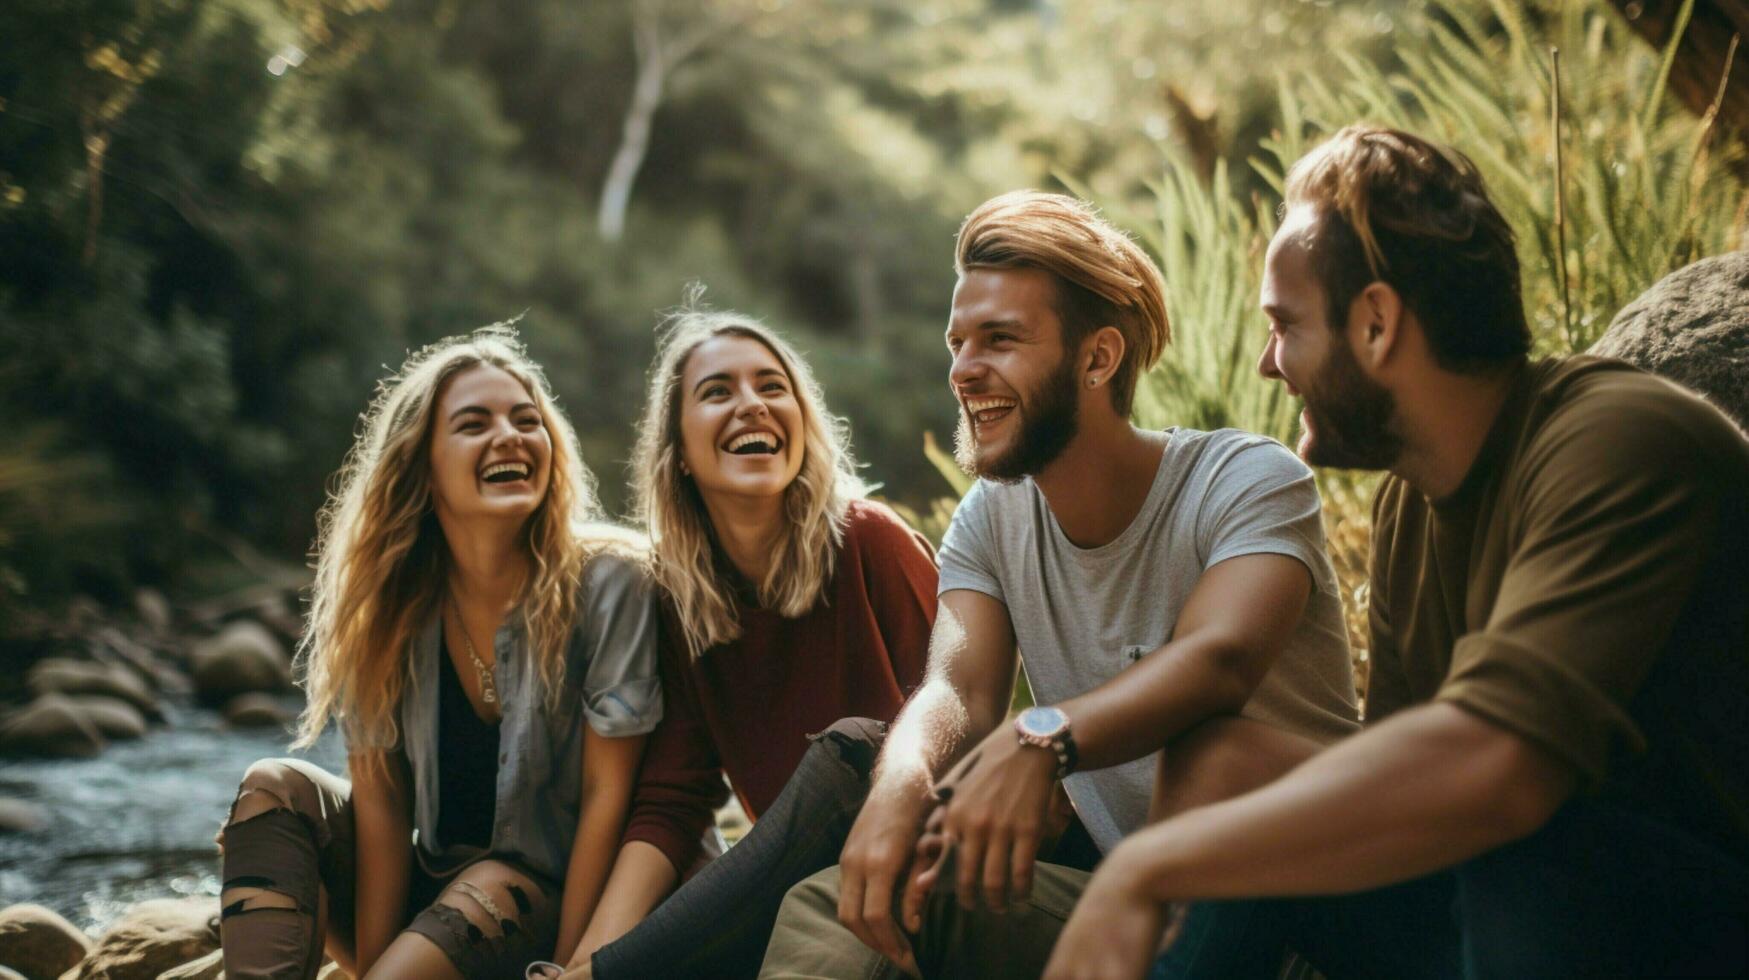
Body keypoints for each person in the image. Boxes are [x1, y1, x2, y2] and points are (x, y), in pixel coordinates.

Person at [1044, 125, 1749, 980]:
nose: (1269, 364)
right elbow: (1388, 795)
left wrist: (1150, 864)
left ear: (1375, 323)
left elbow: (1496, 771)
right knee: (1241, 783)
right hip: (1528, 910)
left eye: (1285, 325)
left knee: (1507, 827)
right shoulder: (1410, 506)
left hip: (1689, 910)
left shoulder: (1620, 439)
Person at [759, 191, 1361, 979]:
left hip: (1301, 922)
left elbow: (1219, 660)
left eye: (1000, 340)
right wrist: (897, 789)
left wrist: (1037, 736)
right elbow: (956, 690)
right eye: (958, 342)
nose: (964, 370)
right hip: (1136, 913)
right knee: (837, 904)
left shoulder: (1245, 479)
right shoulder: (993, 518)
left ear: (1097, 358)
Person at [215, 326, 661, 979]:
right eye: (473, 424)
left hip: (561, 903)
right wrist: (373, 967)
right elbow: (383, 809)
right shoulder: (387, 603)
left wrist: (571, 966)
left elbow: (607, 794)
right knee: (272, 787)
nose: (508, 436)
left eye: (526, 420)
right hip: (441, 898)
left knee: (490, 878)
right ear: (421, 464)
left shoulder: (611, 581)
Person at [544, 306, 938, 979]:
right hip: (795, 889)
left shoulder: (872, 541)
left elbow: (960, 730)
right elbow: (672, 801)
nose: (751, 405)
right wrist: (580, 955)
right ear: (680, 453)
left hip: (917, 870)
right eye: (717, 391)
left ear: (802, 424)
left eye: (771, 385)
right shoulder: (679, 597)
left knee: (848, 754)